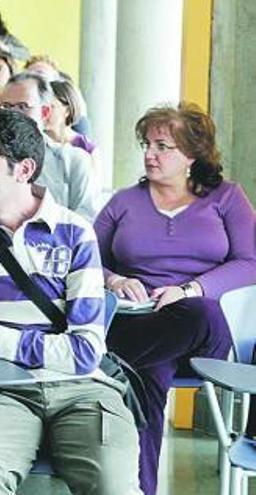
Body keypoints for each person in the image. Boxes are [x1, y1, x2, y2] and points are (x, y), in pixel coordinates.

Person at [0, 108, 142, 495]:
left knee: (114, 483)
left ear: (24, 169)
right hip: (0, 389)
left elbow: (84, 353)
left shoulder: (75, 233)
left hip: (84, 390)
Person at [95, 103, 256, 495]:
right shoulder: (124, 202)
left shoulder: (227, 198)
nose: (150, 153)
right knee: (148, 374)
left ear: (191, 155)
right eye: (146, 144)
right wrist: (115, 280)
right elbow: (83, 261)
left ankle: (102, 363)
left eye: (162, 146)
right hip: (140, 324)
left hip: (204, 330)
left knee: (195, 314)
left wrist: (190, 289)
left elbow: (251, 261)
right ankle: (139, 489)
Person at [0, 73, 99, 219]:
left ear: (44, 113)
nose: (12, 115)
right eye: (6, 107)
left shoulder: (74, 161)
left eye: (23, 106)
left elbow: (88, 221)